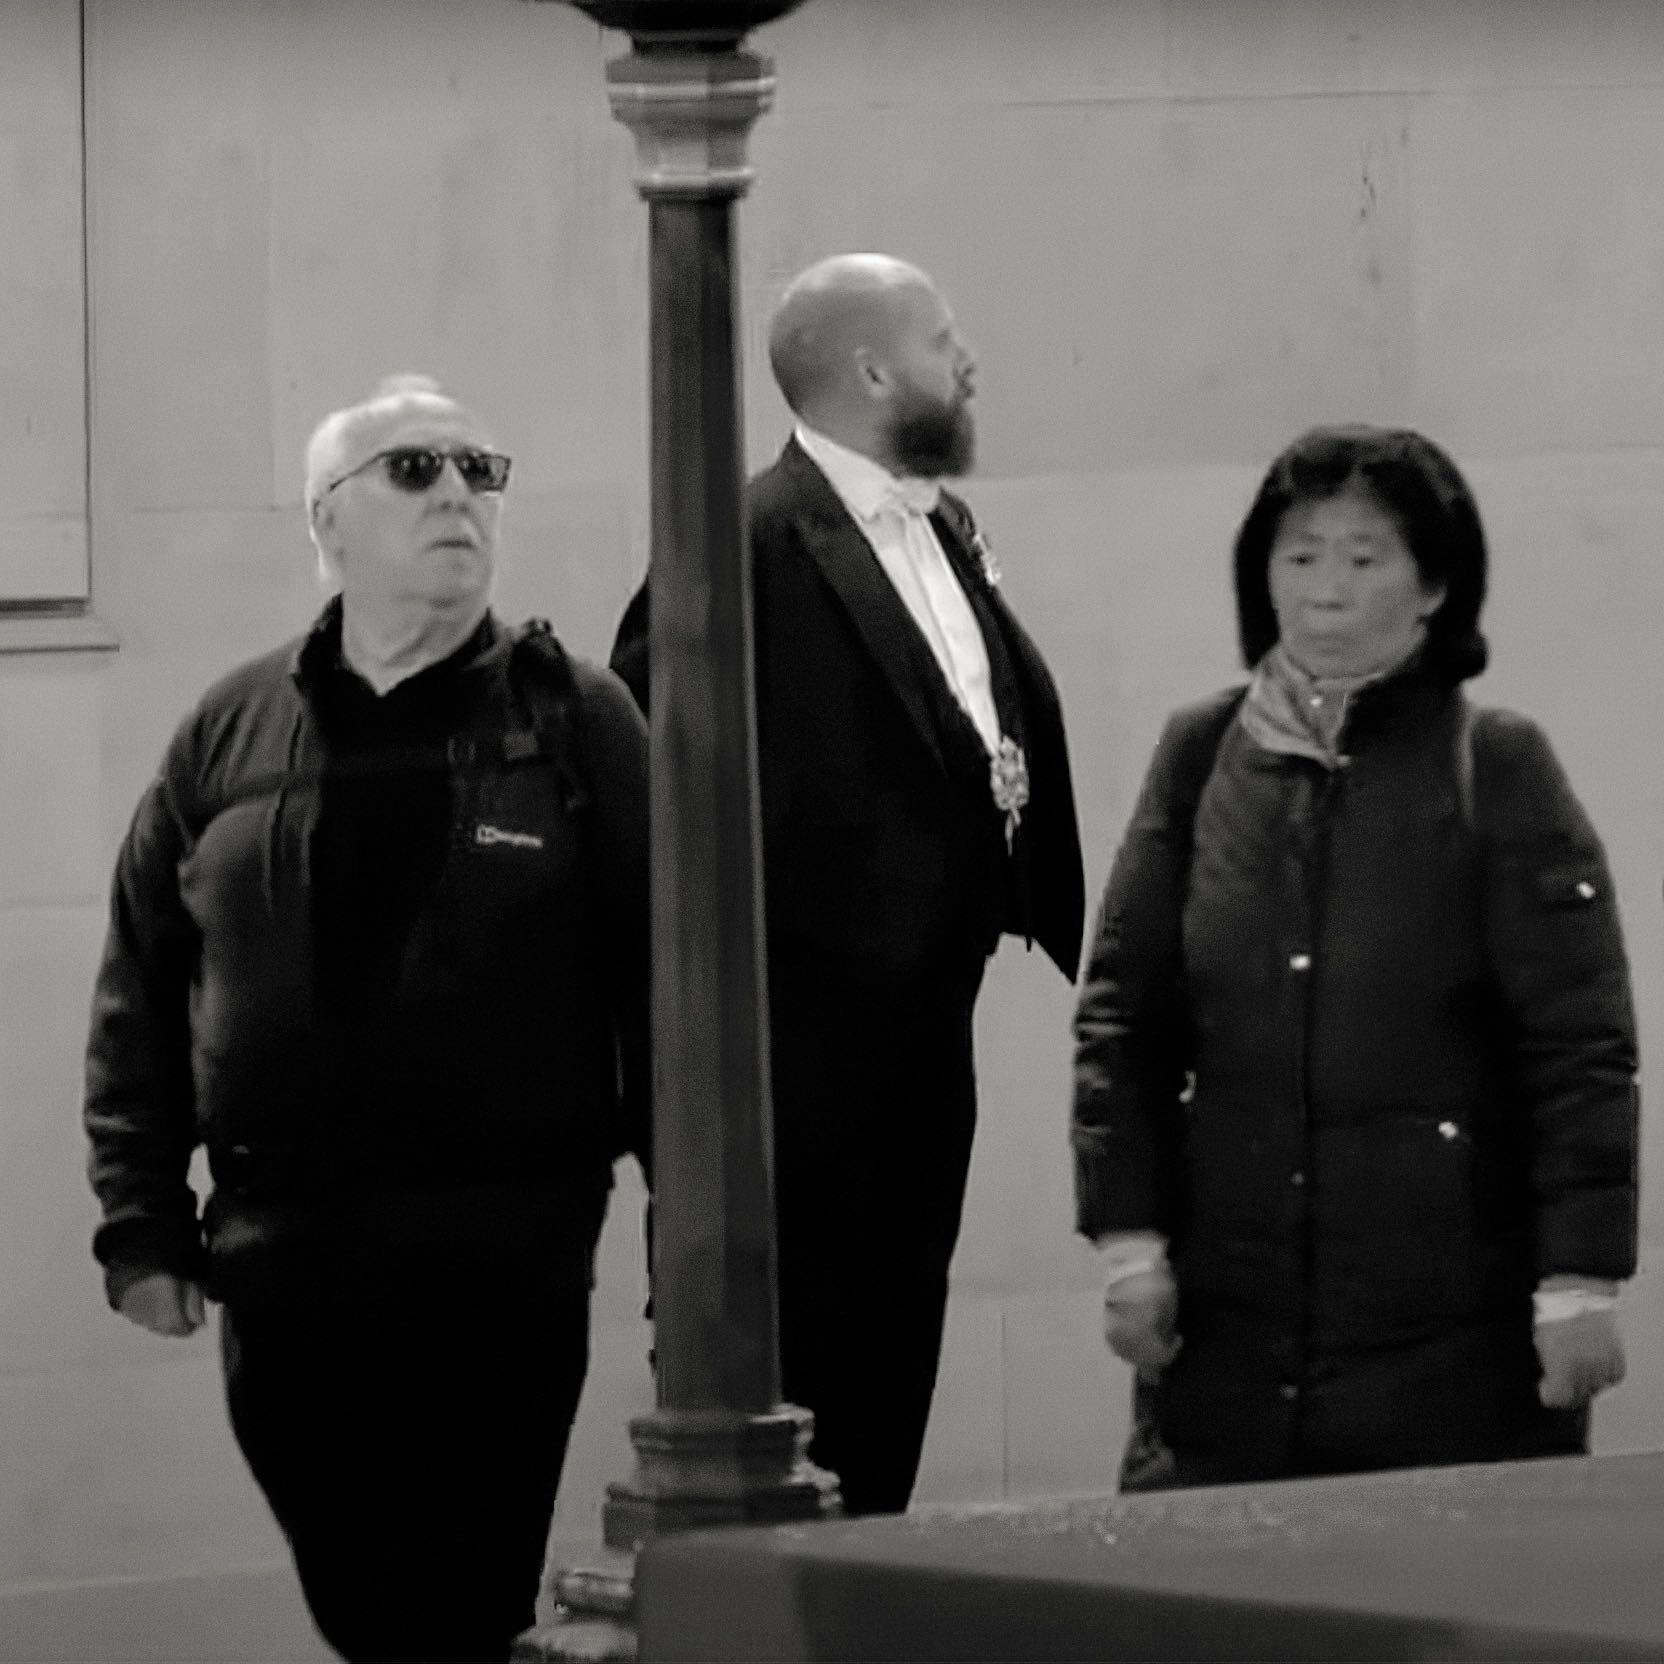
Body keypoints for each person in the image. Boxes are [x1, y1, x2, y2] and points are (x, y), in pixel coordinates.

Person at [84, 375, 650, 1662]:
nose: (456, 493)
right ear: (326, 520)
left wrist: (698, 1241)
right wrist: (141, 1223)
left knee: (464, 1592)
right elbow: (140, 986)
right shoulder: (231, 728)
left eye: (478, 469)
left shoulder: (574, 718)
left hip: (500, 1251)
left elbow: (662, 982)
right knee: (358, 1596)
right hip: (283, 1255)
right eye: (413, 469)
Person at [1071, 424, 1639, 1490]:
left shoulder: (1495, 762)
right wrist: (1128, 1240)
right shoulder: (1198, 755)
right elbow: (1124, 1021)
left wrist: (1578, 1280)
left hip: (1450, 1332)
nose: (1324, 587)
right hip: (1227, 1334)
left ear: (1434, 587)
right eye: (1298, 554)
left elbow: (1579, 1049)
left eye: (1363, 556)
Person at [610, 255, 1085, 1515]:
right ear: (871, 371)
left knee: (890, 1379)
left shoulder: (941, 523)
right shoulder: (742, 542)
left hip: (920, 1050)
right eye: (940, 338)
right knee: (797, 1407)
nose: (964, 359)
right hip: (790, 1078)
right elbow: (658, 804)